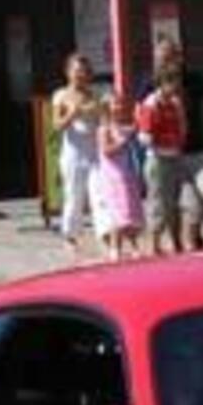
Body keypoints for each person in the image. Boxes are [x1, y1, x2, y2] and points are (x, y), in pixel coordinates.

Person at [162, 39, 203, 251]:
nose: (168, 59)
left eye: (173, 55)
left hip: (198, 148)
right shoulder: (152, 83)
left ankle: (192, 231)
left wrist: (181, 80)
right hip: (169, 154)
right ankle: (185, 239)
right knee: (177, 203)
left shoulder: (194, 79)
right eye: (164, 56)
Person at [49, 52, 107, 259]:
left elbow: (104, 122)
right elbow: (56, 125)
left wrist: (101, 112)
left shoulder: (95, 96)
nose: (81, 76)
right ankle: (70, 237)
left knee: (99, 195)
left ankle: (105, 236)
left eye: (85, 72)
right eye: (77, 72)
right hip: (73, 155)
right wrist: (73, 113)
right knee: (74, 196)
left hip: (95, 153)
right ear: (68, 73)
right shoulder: (60, 95)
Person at [135, 52, 190, 258]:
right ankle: (154, 244)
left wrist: (179, 135)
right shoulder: (151, 103)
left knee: (174, 201)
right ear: (162, 83)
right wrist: (160, 138)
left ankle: (176, 242)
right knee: (157, 201)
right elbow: (143, 136)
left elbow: (183, 127)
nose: (175, 87)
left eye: (177, 83)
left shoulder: (175, 103)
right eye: (172, 83)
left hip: (174, 155)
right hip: (157, 159)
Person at [92, 93, 145, 262]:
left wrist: (138, 114)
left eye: (120, 104)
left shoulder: (122, 127)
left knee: (128, 211)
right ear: (107, 108)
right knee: (117, 213)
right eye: (115, 104)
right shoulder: (103, 129)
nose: (119, 107)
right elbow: (106, 151)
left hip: (127, 175)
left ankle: (134, 245)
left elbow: (135, 128)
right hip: (113, 178)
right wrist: (122, 141)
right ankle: (115, 248)